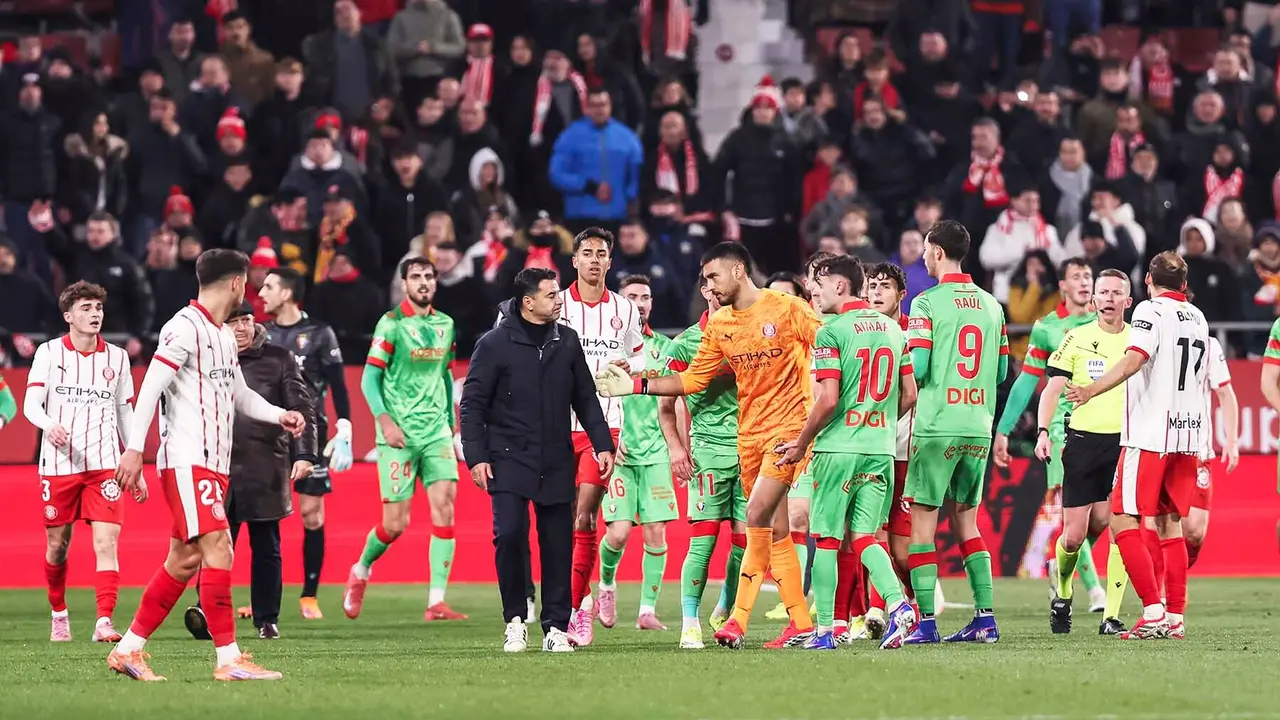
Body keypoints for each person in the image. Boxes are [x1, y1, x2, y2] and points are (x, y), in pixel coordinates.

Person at [596, 242, 822, 650]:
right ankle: (801, 623)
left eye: (713, 276)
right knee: (776, 528)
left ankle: (736, 619)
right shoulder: (719, 328)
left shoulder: (787, 309)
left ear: (738, 270)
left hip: (787, 430)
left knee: (755, 516)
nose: (708, 285)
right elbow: (692, 380)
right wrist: (635, 385)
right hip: (746, 438)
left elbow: (829, 345)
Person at [108, 249, 306, 682]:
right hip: (186, 460)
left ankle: (128, 650)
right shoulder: (183, 328)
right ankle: (229, 659)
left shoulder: (220, 334)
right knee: (221, 548)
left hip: (213, 464)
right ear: (236, 284)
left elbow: (238, 394)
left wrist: (279, 415)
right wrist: (133, 451)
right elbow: (150, 388)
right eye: (247, 282)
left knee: (182, 561)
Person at [498, 227, 644, 648]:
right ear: (574, 260)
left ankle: (575, 612)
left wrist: (628, 366)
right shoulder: (556, 306)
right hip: (553, 428)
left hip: (605, 424)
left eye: (602, 253)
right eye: (587, 253)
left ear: (610, 262)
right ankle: (553, 605)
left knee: (583, 514)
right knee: (561, 520)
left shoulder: (624, 309)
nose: (595, 260)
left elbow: (637, 354)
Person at [460, 267, 615, 653]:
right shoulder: (493, 344)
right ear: (528, 303)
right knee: (509, 535)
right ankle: (515, 620)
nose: (558, 300)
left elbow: (585, 398)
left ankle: (555, 628)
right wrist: (476, 456)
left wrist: (602, 444)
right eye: (550, 295)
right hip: (506, 457)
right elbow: (472, 405)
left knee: (558, 543)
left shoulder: (567, 341)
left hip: (556, 457)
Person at [776, 255, 919, 651]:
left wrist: (802, 443)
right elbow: (909, 394)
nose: (813, 292)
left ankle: (825, 631)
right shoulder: (893, 330)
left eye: (819, 284)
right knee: (865, 537)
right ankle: (899, 605)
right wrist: (878, 421)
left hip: (838, 449)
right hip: (881, 449)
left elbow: (827, 400)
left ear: (841, 286)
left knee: (824, 540)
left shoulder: (831, 331)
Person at [1065, 252, 1210, 640]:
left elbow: (1134, 360)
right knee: (1169, 523)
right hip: (1186, 433)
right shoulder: (1198, 317)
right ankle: (1175, 617)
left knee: (1121, 517)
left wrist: (1091, 390)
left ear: (1148, 280)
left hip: (1149, 434)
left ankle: (1152, 610)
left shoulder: (1149, 311)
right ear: (1183, 284)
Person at [902, 220, 1009, 645]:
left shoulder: (926, 304)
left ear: (938, 252)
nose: (923, 257)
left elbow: (921, 368)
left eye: (927, 249)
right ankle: (985, 620)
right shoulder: (992, 305)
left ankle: (926, 623)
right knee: (968, 524)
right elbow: (1001, 371)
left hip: (936, 427)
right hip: (977, 426)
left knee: (923, 528)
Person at [342, 257, 465, 622]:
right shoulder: (392, 324)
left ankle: (436, 602)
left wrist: (449, 419)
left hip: (436, 433)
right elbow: (368, 379)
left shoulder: (446, 324)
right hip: (398, 436)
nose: (424, 282)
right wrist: (385, 421)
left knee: (445, 505)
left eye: (429, 276)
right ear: (405, 284)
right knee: (395, 524)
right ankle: (361, 569)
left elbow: (445, 374)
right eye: (416, 277)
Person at [186, 303, 318, 640]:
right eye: (234, 322)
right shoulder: (206, 357)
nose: (243, 328)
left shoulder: (278, 358)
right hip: (216, 464)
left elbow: (302, 406)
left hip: (264, 464)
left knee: (267, 546)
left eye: (247, 320)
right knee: (213, 541)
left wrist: (305, 454)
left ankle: (267, 618)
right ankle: (207, 611)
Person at [23, 281, 139, 643]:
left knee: (107, 542)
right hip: (59, 465)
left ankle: (104, 621)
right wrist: (48, 425)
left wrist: (133, 457)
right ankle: (59, 612)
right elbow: (30, 405)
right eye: (86, 308)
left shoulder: (118, 357)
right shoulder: (49, 353)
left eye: (98, 308)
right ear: (68, 315)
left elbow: (124, 410)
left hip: (105, 464)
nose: (94, 314)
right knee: (58, 545)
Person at [993, 258, 1109, 609]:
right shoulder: (1047, 328)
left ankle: (1061, 562)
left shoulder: (1108, 323)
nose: (1084, 282)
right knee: (1071, 508)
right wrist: (1003, 429)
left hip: (1106, 427)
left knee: (1099, 518)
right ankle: (1095, 592)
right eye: (1076, 277)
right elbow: (1027, 381)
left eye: (1088, 276)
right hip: (1063, 430)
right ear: (1062, 286)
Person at [1036, 269, 1134, 636]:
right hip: (1082, 442)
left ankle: (1110, 615)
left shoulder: (1138, 342)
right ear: (1093, 300)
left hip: (1124, 444)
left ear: (1128, 301)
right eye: (1102, 292)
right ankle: (1062, 591)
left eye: (1116, 293)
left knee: (1117, 526)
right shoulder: (1076, 338)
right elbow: (1051, 390)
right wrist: (1043, 431)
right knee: (1075, 537)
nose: (1108, 298)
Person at [260, 267, 354, 619]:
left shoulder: (319, 334)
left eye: (269, 287)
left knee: (312, 515)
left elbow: (339, 386)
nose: (262, 293)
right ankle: (264, 596)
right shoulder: (259, 334)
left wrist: (344, 428)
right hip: (267, 433)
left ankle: (309, 595)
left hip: (310, 434)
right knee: (263, 516)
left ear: (286, 293)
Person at [659, 279, 749, 649]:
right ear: (705, 293)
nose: (718, 294)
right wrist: (677, 448)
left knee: (747, 544)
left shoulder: (751, 336)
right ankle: (690, 622)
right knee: (703, 544)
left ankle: (725, 608)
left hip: (750, 450)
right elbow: (665, 404)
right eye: (712, 288)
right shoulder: (685, 343)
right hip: (708, 453)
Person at [596, 275, 676, 632]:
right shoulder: (608, 348)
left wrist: (680, 448)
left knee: (656, 532)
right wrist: (607, 436)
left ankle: (647, 610)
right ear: (621, 303)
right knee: (618, 533)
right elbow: (593, 396)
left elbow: (675, 400)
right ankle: (607, 585)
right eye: (632, 297)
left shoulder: (666, 349)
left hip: (656, 452)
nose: (640, 302)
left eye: (645, 297)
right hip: (619, 455)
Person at [1144, 336, 1238, 599]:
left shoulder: (1208, 344)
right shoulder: (1151, 339)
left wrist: (1231, 440)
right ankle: (1159, 599)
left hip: (1197, 450)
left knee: (1195, 531)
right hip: (1159, 446)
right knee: (1155, 523)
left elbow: (1225, 393)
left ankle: (1168, 585)